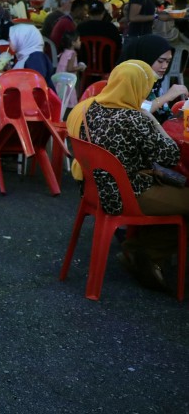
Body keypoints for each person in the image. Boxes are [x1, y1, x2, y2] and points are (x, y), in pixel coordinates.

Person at [66, 62, 187, 294]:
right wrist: (151, 120)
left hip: (97, 189)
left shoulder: (89, 108)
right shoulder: (135, 119)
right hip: (130, 193)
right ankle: (147, 252)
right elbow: (171, 155)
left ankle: (139, 249)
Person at [118, 34, 188, 122]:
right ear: (146, 57)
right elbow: (137, 113)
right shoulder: (127, 78)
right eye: (160, 61)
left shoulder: (153, 79)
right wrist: (167, 96)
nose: (165, 66)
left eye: (168, 61)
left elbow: (162, 113)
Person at [9, 22, 55, 88]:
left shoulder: (36, 59)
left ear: (23, 38)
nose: (9, 41)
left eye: (12, 38)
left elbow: (36, 86)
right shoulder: (26, 55)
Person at [55, 31, 85, 109]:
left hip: (60, 79)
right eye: (78, 40)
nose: (80, 42)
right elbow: (70, 68)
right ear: (73, 43)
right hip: (67, 81)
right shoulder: (73, 53)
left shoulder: (64, 52)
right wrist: (80, 67)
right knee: (69, 101)